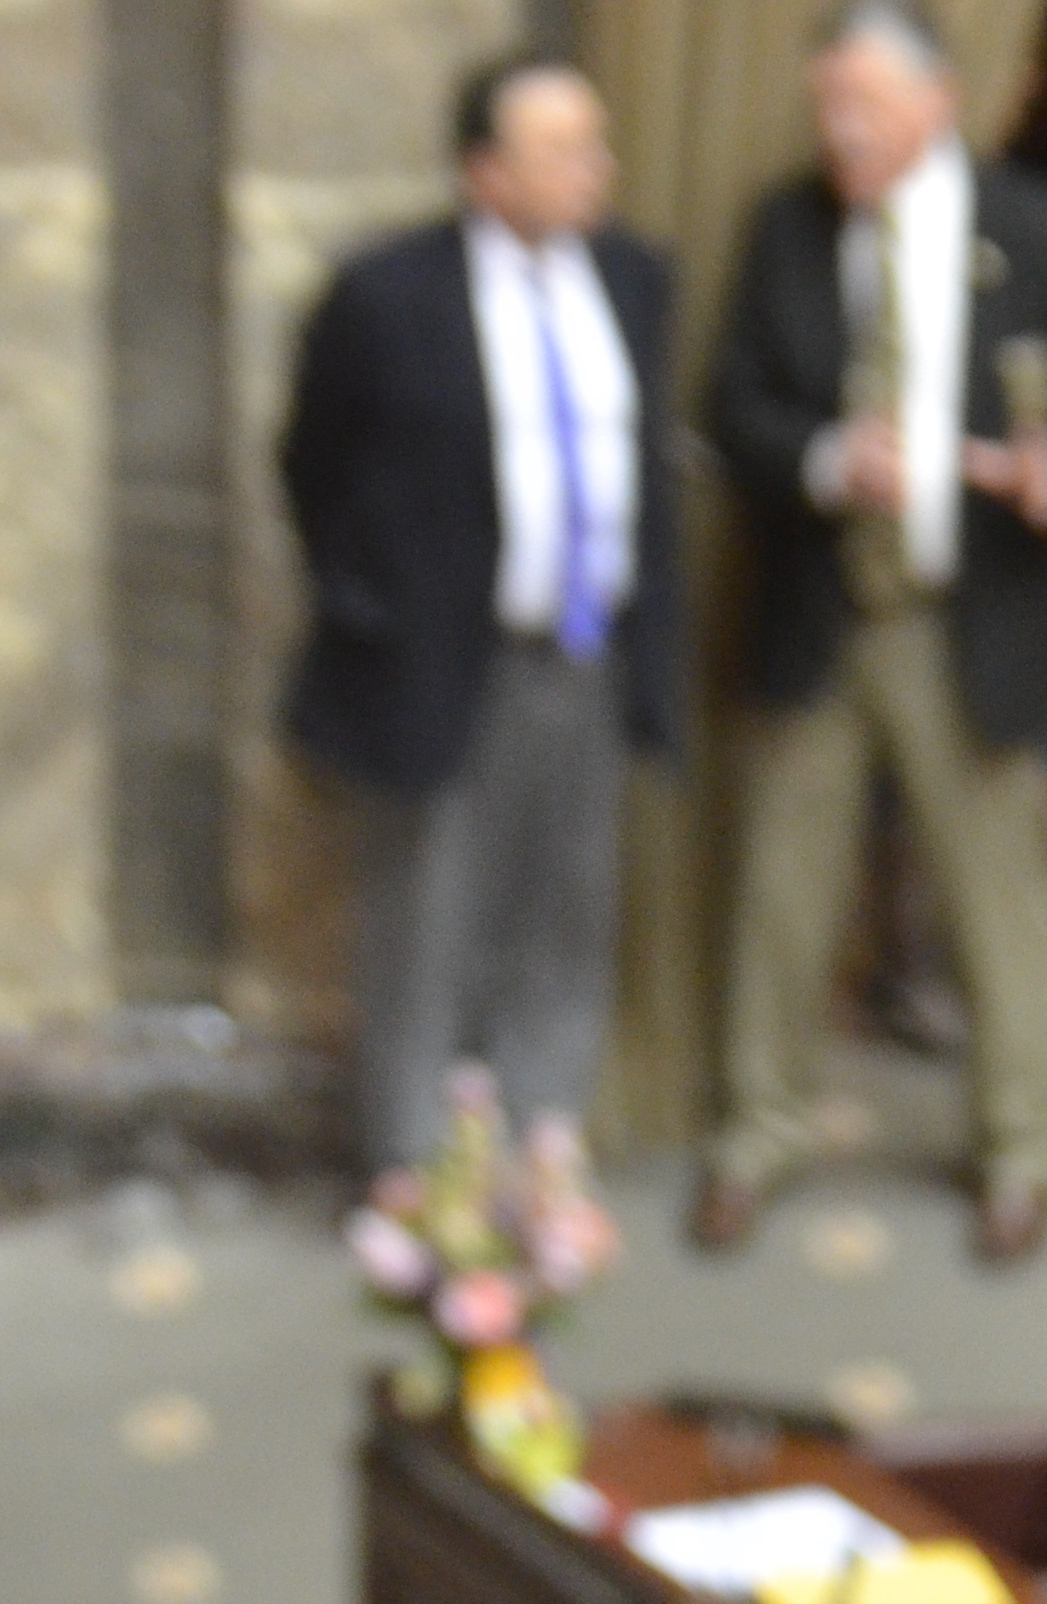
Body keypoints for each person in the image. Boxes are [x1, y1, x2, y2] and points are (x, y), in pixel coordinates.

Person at [690, 0, 1047, 1269]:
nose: (841, 132)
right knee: (781, 897)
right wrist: (832, 458)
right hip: (823, 612)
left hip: (973, 615)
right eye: (829, 107)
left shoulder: (1041, 230)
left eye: (867, 110)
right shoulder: (786, 227)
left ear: (937, 103)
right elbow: (734, 408)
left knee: (994, 900)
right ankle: (757, 1132)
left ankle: (1017, 1148)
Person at [282, 49, 681, 1171]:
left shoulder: (633, 280)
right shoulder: (385, 297)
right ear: (483, 173)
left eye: (594, 145)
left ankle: (537, 1157)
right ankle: (421, 1187)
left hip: (590, 660)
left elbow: (647, 476)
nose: (592, 170)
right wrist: (377, 603)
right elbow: (313, 466)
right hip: (448, 663)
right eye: (560, 151)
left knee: (564, 921)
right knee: (427, 935)